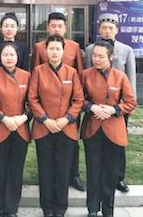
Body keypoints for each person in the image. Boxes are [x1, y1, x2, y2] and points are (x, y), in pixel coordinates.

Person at [29, 35, 84, 217]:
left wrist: (66, 119)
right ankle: (47, 208)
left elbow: (78, 100)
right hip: (44, 127)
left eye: (58, 49)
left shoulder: (72, 72)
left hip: (65, 128)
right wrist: (45, 120)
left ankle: (60, 208)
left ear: (63, 51)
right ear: (46, 50)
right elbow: (32, 99)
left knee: (63, 170)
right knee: (45, 170)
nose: (54, 52)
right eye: (51, 48)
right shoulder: (38, 71)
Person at [80, 41, 136, 217]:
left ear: (111, 57)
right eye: (94, 56)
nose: (96, 59)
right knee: (93, 170)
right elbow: (78, 98)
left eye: (101, 56)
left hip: (114, 129)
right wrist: (91, 107)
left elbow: (131, 102)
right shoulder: (85, 75)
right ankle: (92, 209)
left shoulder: (120, 77)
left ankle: (108, 210)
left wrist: (114, 110)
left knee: (110, 172)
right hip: (92, 128)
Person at [84, 13, 136, 193]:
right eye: (104, 27)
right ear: (99, 29)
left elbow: (131, 77)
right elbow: (87, 74)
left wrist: (126, 106)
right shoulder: (90, 50)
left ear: (116, 30)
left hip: (118, 104)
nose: (107, 31)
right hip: (96, 105)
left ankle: (118, 177)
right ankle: (97, 178)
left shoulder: (126, 50)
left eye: (111, 28)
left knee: (118, 142)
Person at [0, 42, 31, 217]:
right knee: (1, 169)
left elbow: (33, 101)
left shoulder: (26, 76)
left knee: (16, 169)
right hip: (0, 128)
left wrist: (23, 117)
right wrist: (3, 118)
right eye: (5, 55)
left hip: (20, 128)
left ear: (17, 57)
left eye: (12, 55)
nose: (9, 58)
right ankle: (2, 205)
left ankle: (12, 208)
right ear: (0, 57)